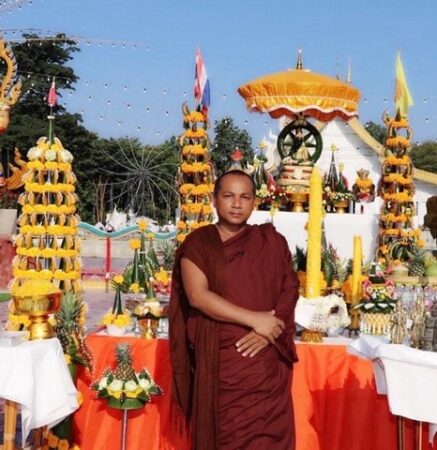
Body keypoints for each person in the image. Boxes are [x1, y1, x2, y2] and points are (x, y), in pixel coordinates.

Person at [169, 169, 299, 450]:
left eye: (245, 197)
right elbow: (197, 296)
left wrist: (267, 332)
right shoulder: (199, 243)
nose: (237, 204)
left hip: (264, 362)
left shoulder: (272, 242)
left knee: (268, 438)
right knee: (228, 436)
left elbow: (289, 289)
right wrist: (254, 320)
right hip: (222, 359)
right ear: (215, 200)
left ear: (254, 202)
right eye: (228, 196)